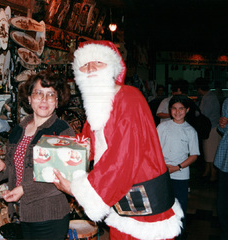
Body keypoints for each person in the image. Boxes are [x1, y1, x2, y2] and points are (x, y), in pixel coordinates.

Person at [53, 40, 183, 240]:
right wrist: (55, 149)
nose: (90, 68)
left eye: (98, 62)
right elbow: (86, 143)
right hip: (122, 200)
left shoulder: (129, 97)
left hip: (146, 206)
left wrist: (79, 190)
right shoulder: (98, 105)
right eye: (85, 64)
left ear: (112, 67)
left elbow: (122, 157)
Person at [0, 70, 75, 240]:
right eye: (39, 93)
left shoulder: (62, 131)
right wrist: (1, 167)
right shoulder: (21, 127)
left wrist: (24, 190)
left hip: (49, 217)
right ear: (29, 98)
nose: (44, 99)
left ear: (57, 102)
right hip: (22, 214)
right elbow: (13, 167)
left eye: (50, 95)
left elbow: (64, 177)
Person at [157, 95, 200, 239]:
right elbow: (154, 148)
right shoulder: (162, 127)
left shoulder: (190, 131)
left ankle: (178, 236)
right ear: (170, 110)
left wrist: (177, 167)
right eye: (174, 108)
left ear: (187, 110)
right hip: (162, 174)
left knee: (179, 209)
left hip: (180, 175)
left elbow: (194, 155)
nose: (177, 112)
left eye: (181, 108)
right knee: (162, 207)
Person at [194, 77, 221, 182]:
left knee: (211, 153)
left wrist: (195, 112)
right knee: (209, 152)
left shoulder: (208, 98)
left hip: (211, 128)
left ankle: (212, 174)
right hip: (212, 127)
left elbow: (204, 114)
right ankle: (208, 172)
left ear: (200, 88)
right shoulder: (211, 96)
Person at [214, 97, 228, 240]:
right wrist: (222, 125)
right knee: (223, 200)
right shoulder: (227, 102)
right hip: (226, 159)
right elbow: (223, 130)